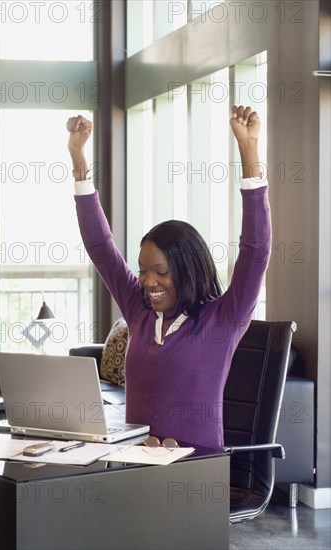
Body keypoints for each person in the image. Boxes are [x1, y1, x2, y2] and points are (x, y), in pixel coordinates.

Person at [66, 106, 271, 449]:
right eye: (143, 271)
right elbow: (100, 247)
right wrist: (78, 159)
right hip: (136, 466)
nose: (148, 282)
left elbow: (256, 250)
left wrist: (248, 150)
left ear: (188, 270)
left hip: (196, 474)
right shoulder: (139, 312)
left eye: (161, 272)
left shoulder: (224, 318)